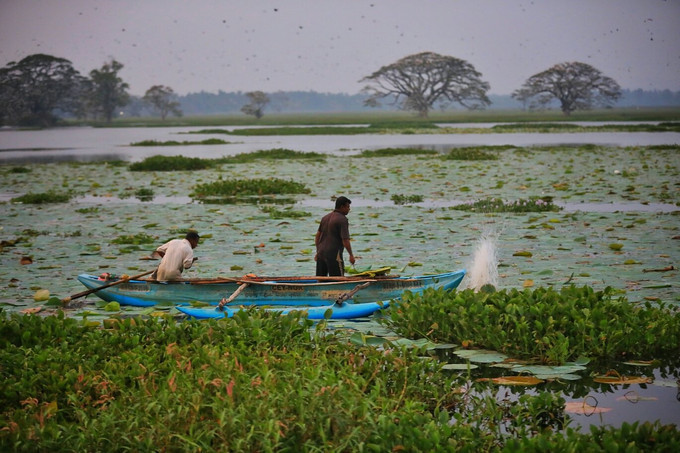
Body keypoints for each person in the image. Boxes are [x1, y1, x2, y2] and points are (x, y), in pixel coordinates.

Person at [315, 196, 355, 276]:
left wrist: (318, 251)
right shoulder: (342, 220)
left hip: (321, 253)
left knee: (321, 279)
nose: (349, 209)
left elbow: (317, 237)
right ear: (342, 207)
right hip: (334, 254)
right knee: (338, 279)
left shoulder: (325, 218)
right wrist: (351, 255)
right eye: (347, 207)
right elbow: (345, 240)